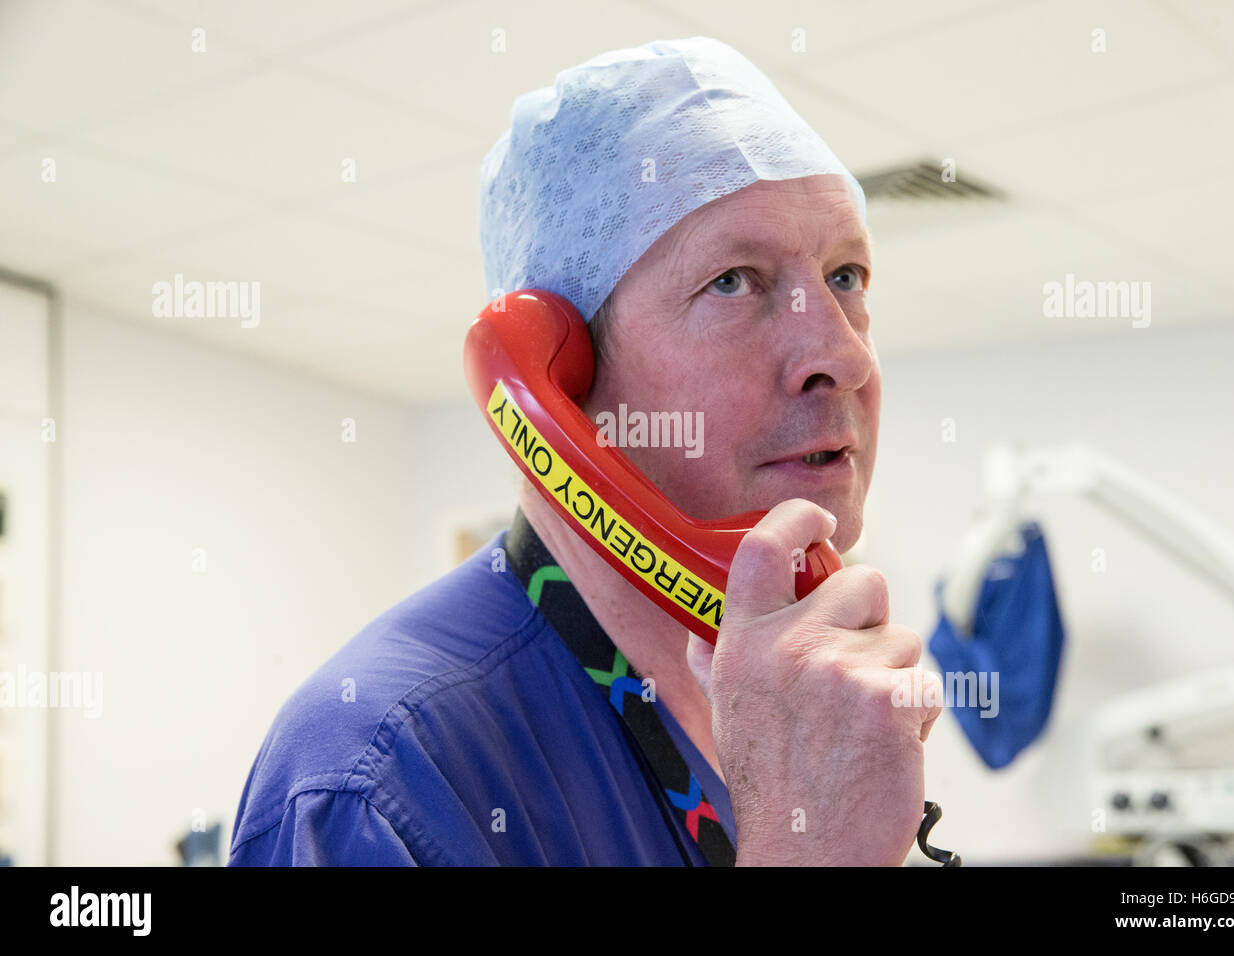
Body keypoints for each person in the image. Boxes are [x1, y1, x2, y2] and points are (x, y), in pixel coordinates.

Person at [228, 36, 942, 867]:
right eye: (734, 280)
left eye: (846, 277)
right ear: (554, 380)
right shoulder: (378, 778)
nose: (844, 356)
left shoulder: (788, 709)